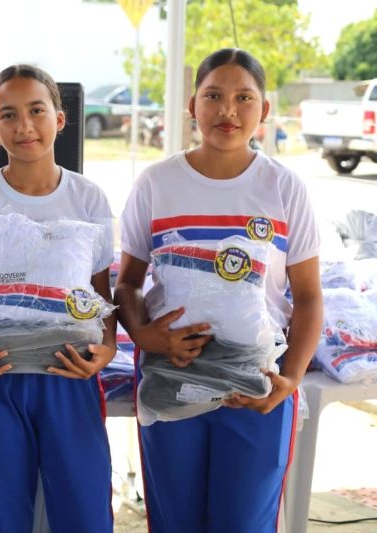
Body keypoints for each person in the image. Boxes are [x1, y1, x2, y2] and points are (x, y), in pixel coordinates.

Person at [114, 48, 322, 533]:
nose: (228, 110)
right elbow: (127, 282)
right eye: (214, 96)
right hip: (173, 374)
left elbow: (309, 297)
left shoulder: (283, 187)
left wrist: (289, 379)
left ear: (264, 110)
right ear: (192, 104)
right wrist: (144, 335)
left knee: (243, 523)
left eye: (243, 98)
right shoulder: (157, 183)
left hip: (257, 384)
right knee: (175, 520)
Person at [0, 64, 117, 532]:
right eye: (8, 115)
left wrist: (109, 350)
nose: (24, 126)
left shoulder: (88, 198)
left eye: (36, 110)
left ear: (60, 119)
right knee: (0, 513)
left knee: (84, 509)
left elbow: (101, 294)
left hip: (70, 373)